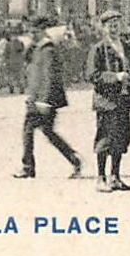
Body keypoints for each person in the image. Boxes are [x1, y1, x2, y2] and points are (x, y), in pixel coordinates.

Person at [14, 22, 83, 179]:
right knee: (48, 132)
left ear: (41, 31)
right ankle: (74, 159)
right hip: (37, 99)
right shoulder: (38, 49)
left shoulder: (48, 50)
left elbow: (49, 76)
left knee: (29, 130)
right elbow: (28, 65)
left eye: (34, 31)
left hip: (43, 101)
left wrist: (44, 100)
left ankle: (28, 167)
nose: (31, 34)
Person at [86, 10, 130, 192]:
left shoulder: (127, 46)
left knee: (121, 139)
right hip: (107, 101)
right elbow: (92, 75)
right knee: (104, 139)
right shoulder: (99, 49)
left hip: (124, 100)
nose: (114, 28)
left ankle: (115, 176)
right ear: (103, 28)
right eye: (110, 25)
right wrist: (116, 76)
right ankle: (101, 178)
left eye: (117, 24)